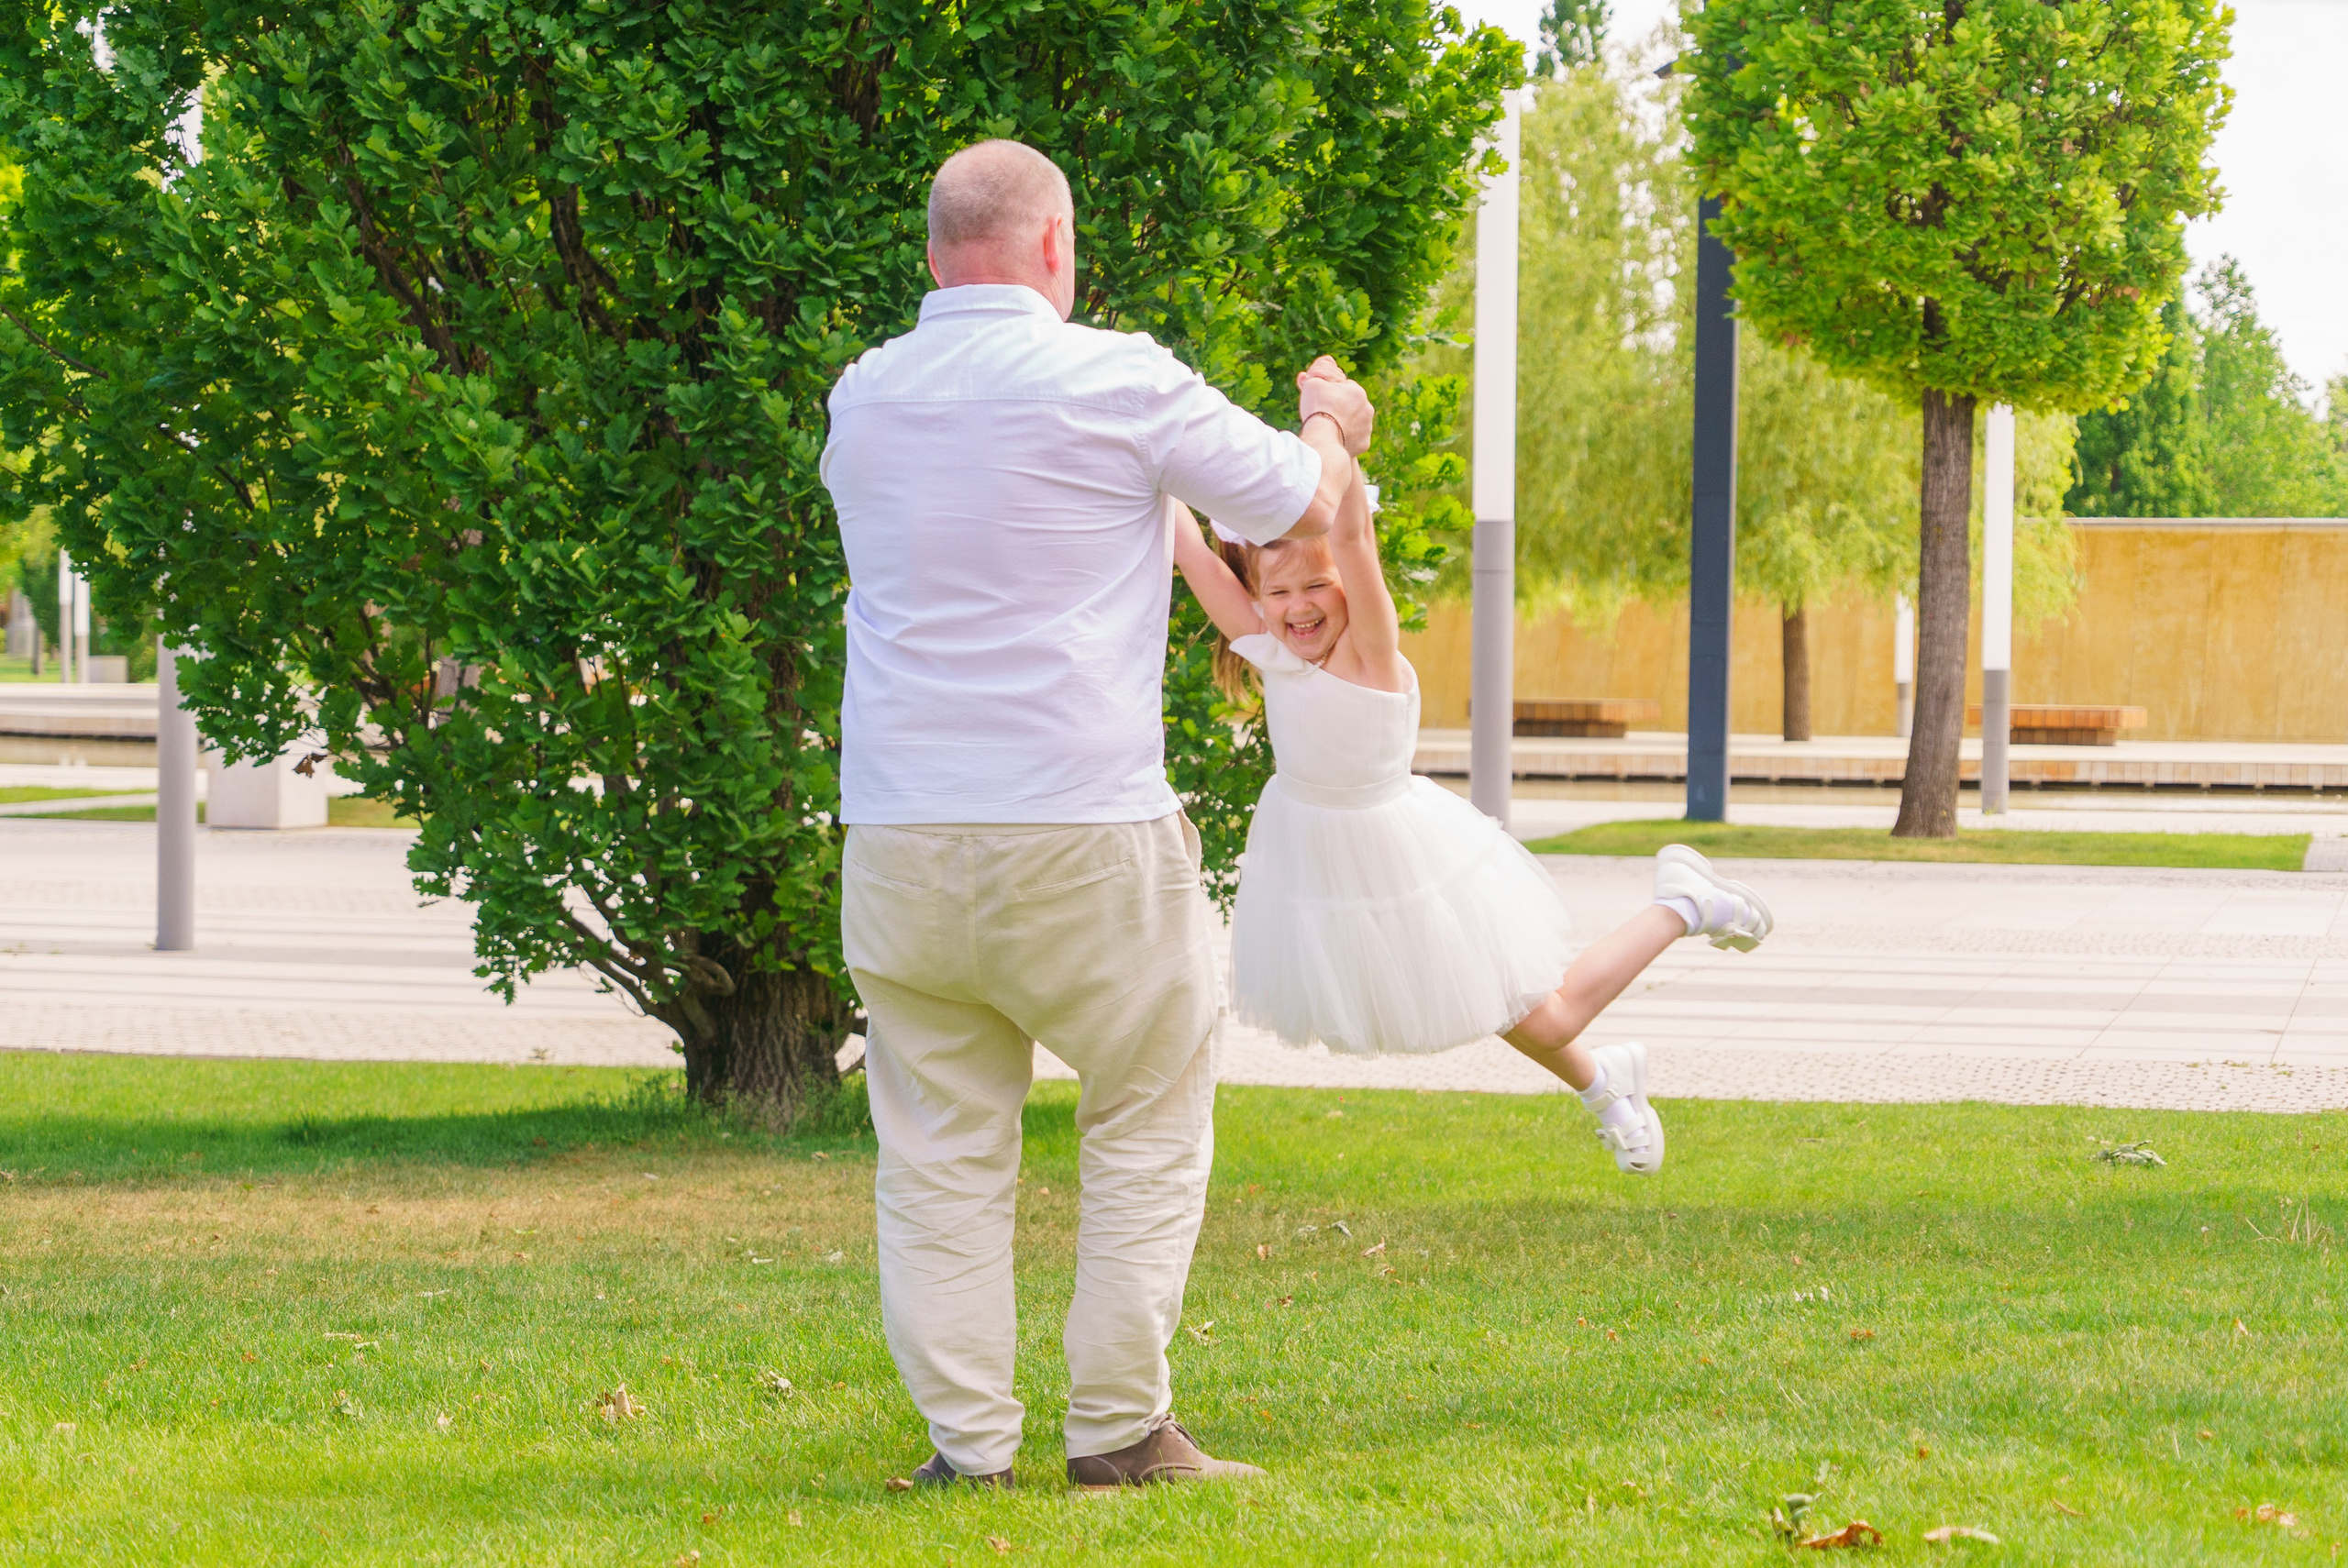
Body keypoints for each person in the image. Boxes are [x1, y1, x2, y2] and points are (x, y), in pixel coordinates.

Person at [822, 138, 1373, 1491]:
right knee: (1146, 1110)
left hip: (897, 826)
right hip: (1081, 820)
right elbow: (1306, 504)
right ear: (1057, 248)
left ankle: (967, 1446)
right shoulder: (1115, 375)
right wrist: (1330, 424)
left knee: (938, 1149)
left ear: (933, 255)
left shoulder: (866, 396)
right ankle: (1120, 1429)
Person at [1169, 463, 1774, 1174]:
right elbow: (1190, 551)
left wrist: (1330, 436)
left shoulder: (1371, 655)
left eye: (1316, 586)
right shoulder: (1272, 651)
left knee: (1543, 1013)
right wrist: (1142, 438)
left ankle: (1683, 905)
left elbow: (1355, 536)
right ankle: (1603, 1083)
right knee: (1485, 1005)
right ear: (1258, 596)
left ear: (1351, 587)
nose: (1298, 607)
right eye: (1277, 591)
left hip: (1402, 858)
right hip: (1331, 867)